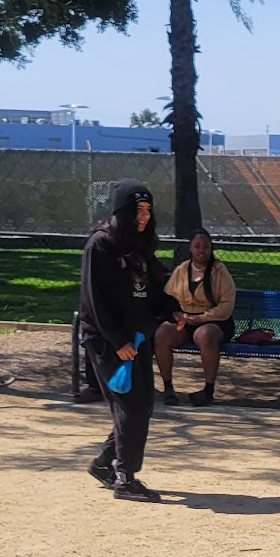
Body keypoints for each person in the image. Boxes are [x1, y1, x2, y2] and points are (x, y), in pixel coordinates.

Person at [77, 180, 167, 499]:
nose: (143, 217)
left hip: (137, 336)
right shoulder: (101, 244)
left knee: (142, 403)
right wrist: (116, 340)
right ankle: (125, 477)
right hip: (109, 340)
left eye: (147, 210)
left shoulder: (139, 245)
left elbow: (155, 287)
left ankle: (105, 463)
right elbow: (93, 300)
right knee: (130, 405)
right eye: (137, 211)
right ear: (122, 211)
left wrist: (173, 310)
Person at [156, 229, 237, 406]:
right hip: (184, 320)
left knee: (204, 335)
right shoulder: (182, 269)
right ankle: (168, 388)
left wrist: (201, 318)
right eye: (197, 246)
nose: (201, 250)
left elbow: (226, 306)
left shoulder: (219, 271)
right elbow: (167, 298)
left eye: (206, 247)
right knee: (162, 334)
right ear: (190, 248)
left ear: (211, 249)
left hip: (214, 321)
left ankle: (208, 390)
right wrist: (176, 314)